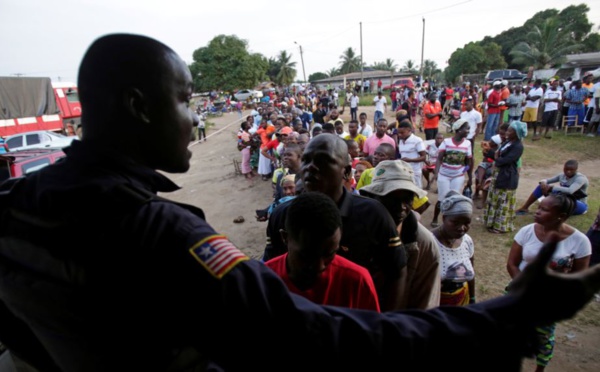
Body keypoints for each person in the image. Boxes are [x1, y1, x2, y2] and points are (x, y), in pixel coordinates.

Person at [2, 33, 600, 372]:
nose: (196, 120)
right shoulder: (159, 231)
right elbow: (305, 332)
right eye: (186, 99)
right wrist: (500, 316)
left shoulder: (20, 205)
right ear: (137, 105)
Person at [264, 134, 408, 311]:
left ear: (346, 172)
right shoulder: (282, 215)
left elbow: (396, 270)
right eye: (306, 160)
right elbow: (270, 272)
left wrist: (384, 322)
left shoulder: (373, 215)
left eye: (323, 161)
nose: (310, 167)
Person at [507, 193, 591, 371]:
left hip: (549, 301)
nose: (537, 212)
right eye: (538, 207)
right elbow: (512, 264)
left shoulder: (580, 242)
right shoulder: (527, 231)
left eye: (543, 209)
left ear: (561, 216)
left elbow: (578, 278)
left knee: (543, 337)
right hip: (519, 293)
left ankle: (540, 368)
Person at [264, 192, 380, 312]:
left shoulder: (357, 282)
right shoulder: (263, 283)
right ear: (285, 238)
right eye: (307, 255)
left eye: (329, 254)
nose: (319, 266)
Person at [359, 160, 442, 309]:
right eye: (391, 199)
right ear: (372, 198)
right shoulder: (355, 229)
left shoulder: (423, 244)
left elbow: (425, 303)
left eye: (407, 199)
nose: (401, 207)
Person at [431, 190, 476, 306]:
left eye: (467, 222)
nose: (462, 228)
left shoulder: (467, 241)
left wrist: (472, 298)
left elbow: (471, 273)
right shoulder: (429, 242)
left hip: (461, 300)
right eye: (455, 222)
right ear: (444, 218)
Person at [484, 120, 527, 234]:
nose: (507, 132)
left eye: (510, 130)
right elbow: (498, 155)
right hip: (499, 174)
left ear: (516, 133)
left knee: (503, 201)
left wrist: (496, 157)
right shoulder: (508, 142)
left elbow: (506, 160)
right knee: (495, 198)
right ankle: (492, 222)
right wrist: (489, 152)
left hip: (507, 175)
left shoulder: (518, 146)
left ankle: (500, 226)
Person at [431, 119, 473, 228]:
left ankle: (451, 220)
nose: (468, 131)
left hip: (458, 176)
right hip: (444, 175)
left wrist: (466, 175)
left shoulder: (468, 143)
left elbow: (468, 162)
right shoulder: (446, 142)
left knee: (455, 198)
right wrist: (436, 173)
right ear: (458, 129)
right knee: (442, 198)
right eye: (466, 128)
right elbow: (439, 159)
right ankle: (435, 217)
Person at [516, 159, 589, 216]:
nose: (568, 172)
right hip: (566, 201)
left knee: (560, 197)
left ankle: (549, 212)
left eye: (571, 170)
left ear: (576, 170)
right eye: (566, 169)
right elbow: (547, 180)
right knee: (542, 187)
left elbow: (570, 191)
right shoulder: (562, 175)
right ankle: (525, 208)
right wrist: (543, 183)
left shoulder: (580, 178)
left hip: (579, 204)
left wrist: (551, 188)